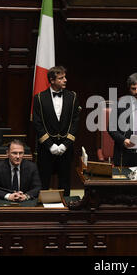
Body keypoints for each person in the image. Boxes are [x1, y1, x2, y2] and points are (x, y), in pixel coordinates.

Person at [32, 66, 81, 196]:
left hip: (66, 148)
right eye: (61, 78)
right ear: (52, 80)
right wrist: (50, 145)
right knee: (44, 182)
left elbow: (75, 122)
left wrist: (65, 144)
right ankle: (42, 212)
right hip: (46, 149)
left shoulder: (72, 97)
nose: (65, 80)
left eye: (65, 77)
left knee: (65, 182)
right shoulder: (40, 98)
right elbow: (37, 124)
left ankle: (65, 211)